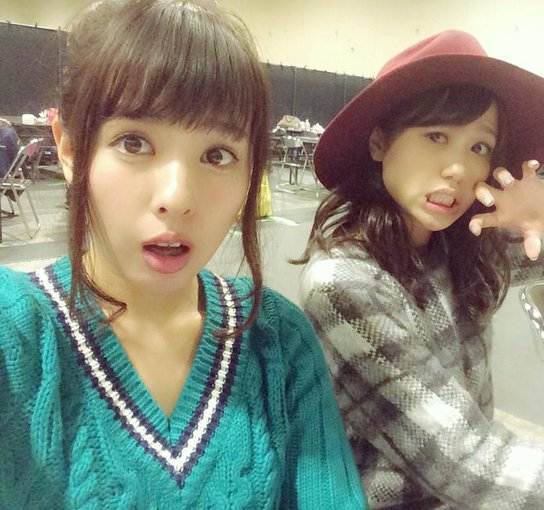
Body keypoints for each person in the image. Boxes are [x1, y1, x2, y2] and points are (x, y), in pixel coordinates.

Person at [0, 1, 366, 508]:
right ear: (71, 149)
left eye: (217, 155)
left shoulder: (279, 343)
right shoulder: (17, 333)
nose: (177, 197)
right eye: (134, 143)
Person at [297, 30, 544, 509]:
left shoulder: (462, 243)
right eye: (436, 137)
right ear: (380, 141)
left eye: (479, 147)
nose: (458, 169)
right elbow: (461, 460)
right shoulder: (345, 283)